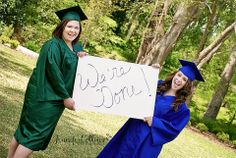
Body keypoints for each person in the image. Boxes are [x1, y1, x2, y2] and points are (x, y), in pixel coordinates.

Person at [7, 6, 88, 158]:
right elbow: (54, 73)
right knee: (34, 135)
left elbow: (77, 72)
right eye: (69, 26)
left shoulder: (77, 48)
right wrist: (66, 97)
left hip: (54, 98)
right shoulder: (53, 45)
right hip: (46, 97)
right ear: (62, 26)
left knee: (25, 131)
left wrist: (83, 59)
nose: (73, 30)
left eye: (76, 27)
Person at [97, 59, 205, 158]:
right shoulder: (157, 85)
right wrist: (150, 72)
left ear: (187, 84)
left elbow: (173, 129)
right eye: (179, 75)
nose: (179, 80)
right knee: (119, 153)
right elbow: (132, 83)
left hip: (148, 141)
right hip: (132, 129)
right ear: (174, 74)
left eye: (184, 79)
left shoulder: (181, 108)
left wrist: (154, 121)